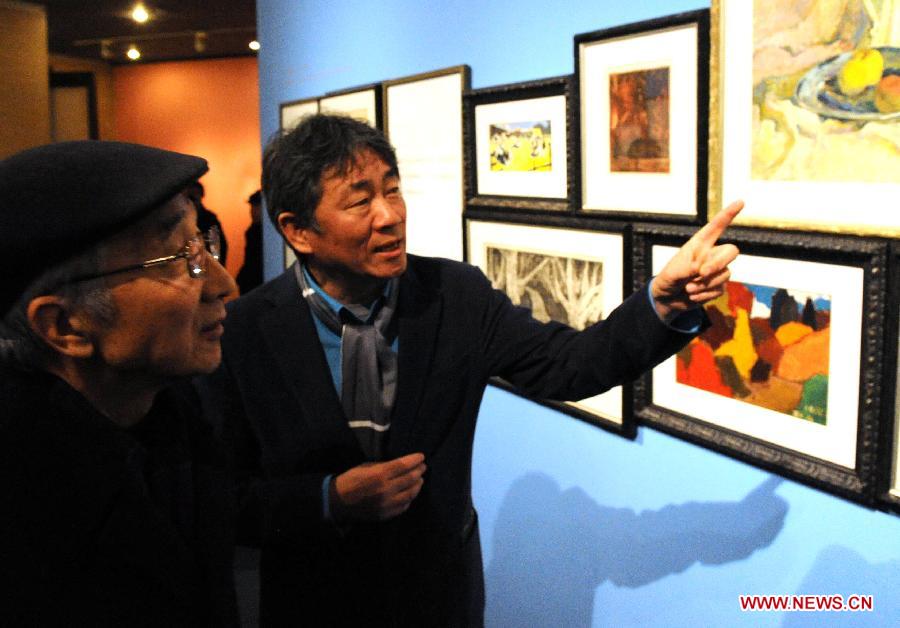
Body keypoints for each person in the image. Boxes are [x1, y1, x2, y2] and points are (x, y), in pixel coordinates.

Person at [206, 114, 742, 626]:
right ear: (298, 231)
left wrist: (662, 305)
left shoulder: (454, 296)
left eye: (392, 190)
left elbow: (569, 365)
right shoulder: (244, 332)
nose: (390, 215)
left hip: (437, 598)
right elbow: (219, 502)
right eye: (360, 200)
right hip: (315, 603)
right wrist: (330, 499)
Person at [0, 141, 240, 626]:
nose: (222, 285)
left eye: (202, 243)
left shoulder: (173, 422)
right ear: (64, 326)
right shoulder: (23, 506)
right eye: (176, 258)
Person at [187, 180, 229, 267]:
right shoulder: (185, 219)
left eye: (193, 199)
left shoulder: (210, 220)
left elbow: (220, 247)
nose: (191, 203)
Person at [235, 190, 264, 294]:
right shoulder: (252, 231)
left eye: (256, 207)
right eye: (252, 207)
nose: (252, 211)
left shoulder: (266, 234)